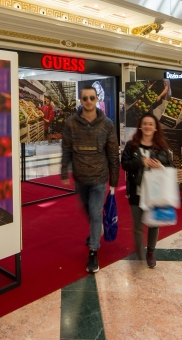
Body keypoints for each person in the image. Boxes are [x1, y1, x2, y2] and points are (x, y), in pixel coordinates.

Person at [62, 86, 120, 273]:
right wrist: (64, 171)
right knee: (87, 210)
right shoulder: (71, 123)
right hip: (80, 178)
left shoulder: (107, 124)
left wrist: (114, 180)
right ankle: (95, 230)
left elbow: (113, 153)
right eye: (85, 98)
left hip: (98, 178)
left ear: (97, 99)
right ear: (80, 100)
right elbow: (66, 148)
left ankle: (94, 251)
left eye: (92, 98)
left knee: (95, 214)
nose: (88, 101)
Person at [120, 113, 173, 268]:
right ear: (140, 126)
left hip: (154, 193)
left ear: (155, 128)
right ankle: (139, 252)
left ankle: (150, 251)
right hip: (136, 191)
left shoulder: (162, 147)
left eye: (151, 124)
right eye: (145, 123)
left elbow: (171, 168)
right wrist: (140, 161)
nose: (147, 126)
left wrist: (160, 167)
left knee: (154, 223)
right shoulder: (131, 146)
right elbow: (125, 164)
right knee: (137, 226)